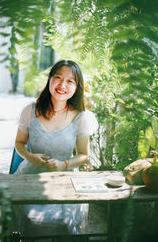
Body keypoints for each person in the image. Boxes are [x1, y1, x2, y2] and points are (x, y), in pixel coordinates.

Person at [11, 59, 98, 239]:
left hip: (66, 178)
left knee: (67, 218)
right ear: (50, 79)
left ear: (77, 86)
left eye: (70, 81)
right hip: (32, 175)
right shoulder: (30, 110)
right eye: (58, 78)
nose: (62, 84)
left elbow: (83, 155)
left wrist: (63, 164)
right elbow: (19, 144)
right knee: (34, 217)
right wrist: (31, 157)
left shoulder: (81, 117)